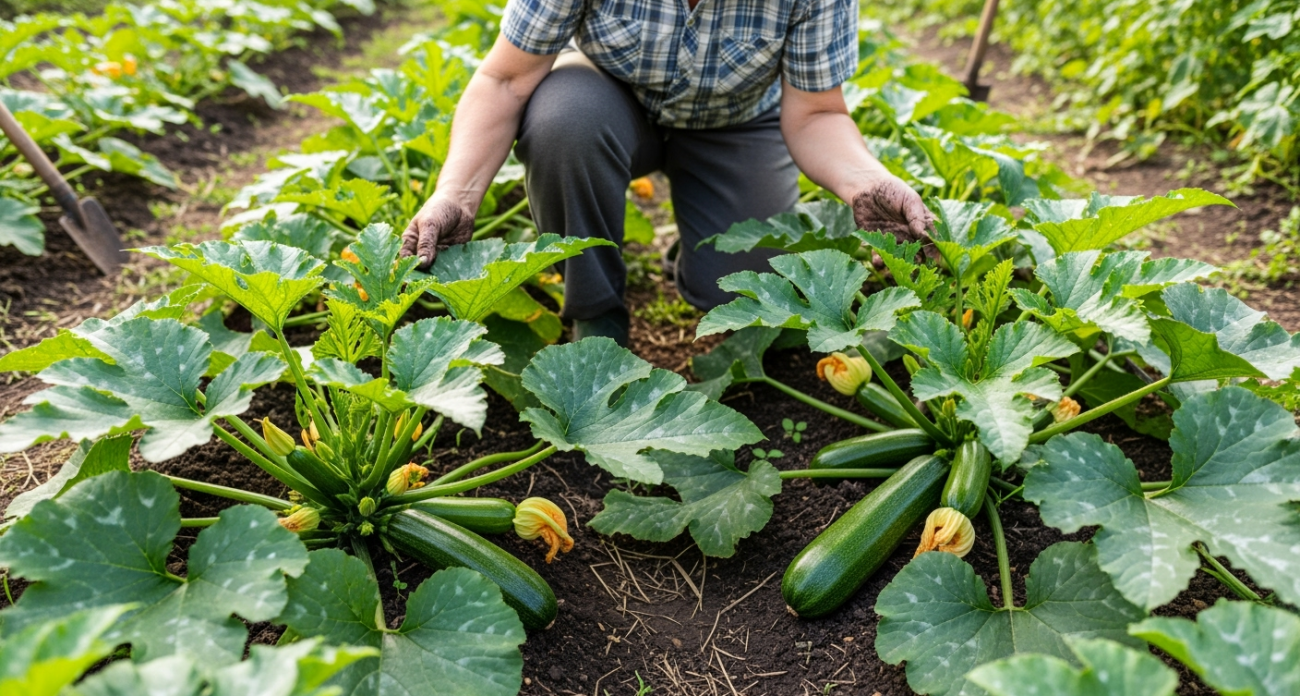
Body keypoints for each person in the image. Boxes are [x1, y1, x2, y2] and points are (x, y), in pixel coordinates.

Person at [400, 0, 934, 346]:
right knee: (564, 123)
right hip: (606, 98)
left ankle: (697, 246)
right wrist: (458, 193)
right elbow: (504, 80)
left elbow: (817, 113)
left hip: (736, 120)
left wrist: (865, 181)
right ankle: (596, 313)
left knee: (740, 293)